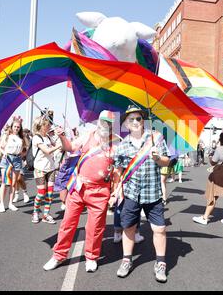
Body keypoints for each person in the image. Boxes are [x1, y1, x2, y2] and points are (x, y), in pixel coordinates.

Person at [43, 110, 118, 272]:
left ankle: (91, 257)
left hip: (100, 191)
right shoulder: (87, 135)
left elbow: (118, 171)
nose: (107, 125)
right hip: (79, 188)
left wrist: (114, 192)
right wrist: (62, 136)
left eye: (110, 123)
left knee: (96, 227)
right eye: (104, 122)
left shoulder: (116, 143)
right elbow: (70, 148)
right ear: (99, 122)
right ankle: (58, 255)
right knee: (67, 223)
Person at [113, 105, 171, 283]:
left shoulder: (155, 138)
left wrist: (157, 158)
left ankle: (161, 263)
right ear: (126, 124)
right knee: (128, 227)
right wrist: (116, 190)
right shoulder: (122, 145)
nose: (136, 122)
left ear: (143, 120)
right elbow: (118, 170)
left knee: (159, 229)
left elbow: (166, 161)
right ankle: (126, 260)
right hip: (131, 193)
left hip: (152, 193)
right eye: (131, 119)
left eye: (139, 118)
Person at [193, 130, 223, 226]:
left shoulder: (219, 149)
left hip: (221, 173)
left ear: (222, 139)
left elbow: (213, 162)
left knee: (213, 195)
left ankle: (205, 217)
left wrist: (210, 157)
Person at [31, 115, 61, 224]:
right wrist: (58, 146)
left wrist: (59, 135)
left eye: (49, 125)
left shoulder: (48, 137)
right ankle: (35, 212)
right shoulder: (36, 138)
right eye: (47, 125)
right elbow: (47, 151)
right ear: (41, 126)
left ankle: (46, 214)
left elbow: (55, 143)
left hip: (51, 168)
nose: (49, 127)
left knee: (50, 193)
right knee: (41, 193)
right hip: (40, 168)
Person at [0, 117, 25, 213]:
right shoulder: (7, 135)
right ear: (12, 127)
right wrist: (4, 152)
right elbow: (0, 147)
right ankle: (1, 204)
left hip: (17, 160)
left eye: (18, 127)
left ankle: (10, 203)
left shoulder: (21, 138)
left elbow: (23, 150)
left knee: (13, 183)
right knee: (4, 183)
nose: (16, 128)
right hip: (7, 159)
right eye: (15, 126)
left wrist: (21, 156)